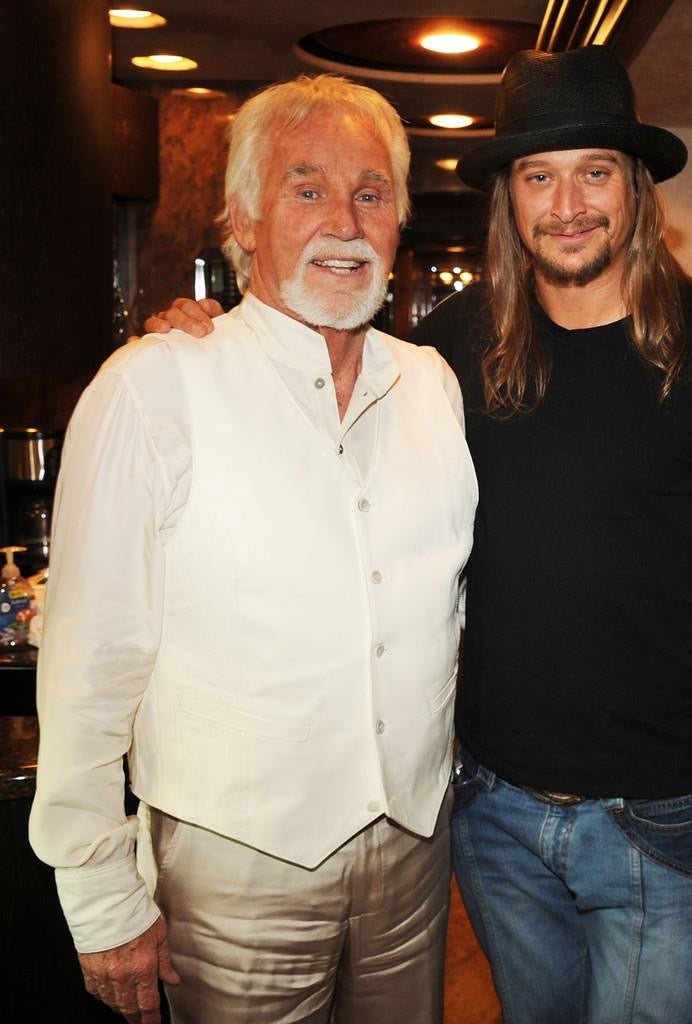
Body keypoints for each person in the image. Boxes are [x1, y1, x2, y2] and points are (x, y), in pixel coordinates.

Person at [146, 48, 692, 1024]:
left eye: (594, 172)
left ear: (636, 185)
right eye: (539, 177)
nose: (568, 206)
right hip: (493, 811)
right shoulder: (442, 353)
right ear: (509, 195)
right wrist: (207, 338)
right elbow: (323, 429)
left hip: (664, 814)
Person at [29, 74, 477, 1024]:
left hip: (414, 850)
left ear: (399, 220)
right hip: (230, 870)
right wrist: (98, 890)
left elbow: (456, 601)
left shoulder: (435, 385)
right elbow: (87, 662)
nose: (344, 222)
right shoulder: (153, 388)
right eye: (306, 188)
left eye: (371, 192)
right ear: (243, 217)